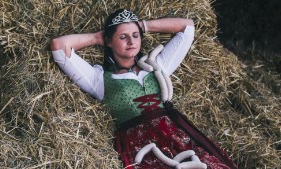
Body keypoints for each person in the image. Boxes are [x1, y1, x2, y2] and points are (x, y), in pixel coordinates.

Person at [51, 9, 237, 169]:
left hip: (177, 135)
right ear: (109, 42)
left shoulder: (157, 66)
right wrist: (98, 37)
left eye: (135, 35)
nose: (131, 41)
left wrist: (143, 25)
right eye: (122, 37)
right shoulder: (99, 79)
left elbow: (186, 27)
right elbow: (59, 46)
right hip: (140, 144)